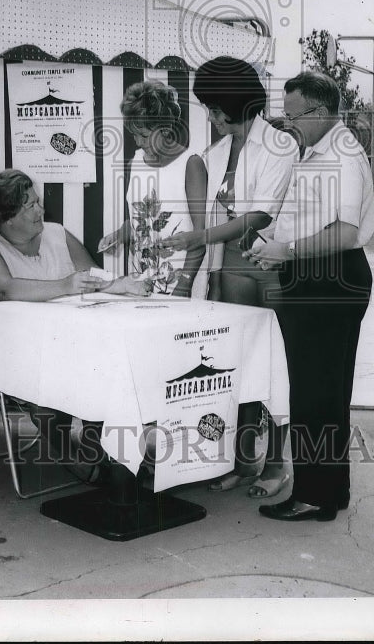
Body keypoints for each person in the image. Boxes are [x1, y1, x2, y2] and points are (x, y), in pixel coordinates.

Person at [158, 56, 298, 496]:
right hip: (232, 269)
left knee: (276, 369)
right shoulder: (212, 154)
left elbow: (260, 215)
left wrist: (200, 234)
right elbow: (204, 225)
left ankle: (276, 465)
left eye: (214, 106)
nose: (211, 116)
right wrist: (188, 268)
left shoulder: (280, 145)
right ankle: (242, 460)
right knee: (239, 368)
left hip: (274, 269)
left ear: (234, 102)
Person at [245, 71, 374, 521]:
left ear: (320, 113)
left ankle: (314, 496)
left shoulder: (340, 154)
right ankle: (329, 492)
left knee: (314, 394)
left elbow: (345, 231)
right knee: (325, 392)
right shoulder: (317, 151)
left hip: (329, 279)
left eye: (293, 114)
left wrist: (290, 250)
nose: (286, 123)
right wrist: (275, 249)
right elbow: (307, 219)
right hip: (316, 276)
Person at [0, 168, 148, 476]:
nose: (40, 209)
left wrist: (121, 285)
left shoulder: (57, 233)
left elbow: (90, 278)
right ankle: (65, 448)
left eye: (37, 201)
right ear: (8, 217)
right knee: (65, 368)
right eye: (31, 206)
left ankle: (98, 445)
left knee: (108, 360)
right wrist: (66, 285)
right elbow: (6, 289)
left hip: (60, 340)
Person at [97, 80, 207, 299]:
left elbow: (200, 235)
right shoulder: (136, 161)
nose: (138, 142)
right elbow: (140, 222)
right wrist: (120, 234)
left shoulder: (191, 164)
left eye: (144, 135)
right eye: (134, 134)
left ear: (165, 128)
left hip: (181, 280)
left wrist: (185, 284)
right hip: (140, 280)